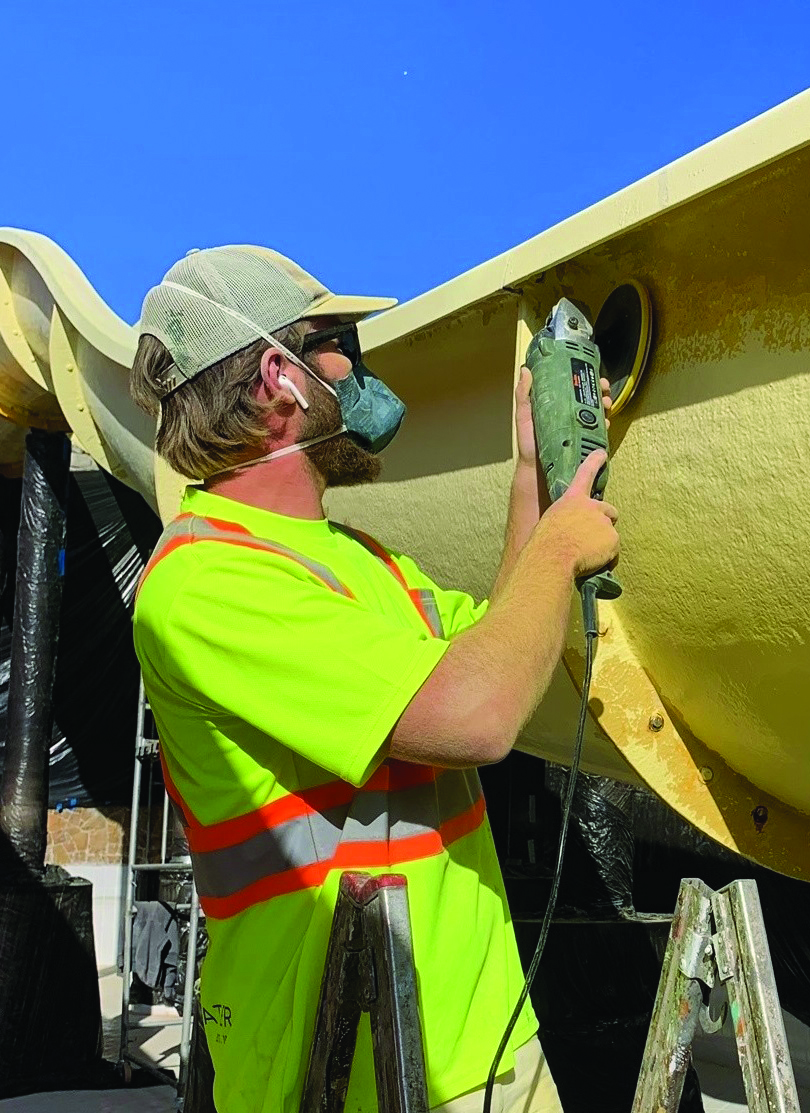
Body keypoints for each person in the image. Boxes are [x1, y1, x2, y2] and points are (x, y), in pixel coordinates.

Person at [128, 244, 619, 1113]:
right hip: (344, 1066)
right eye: (339, 343)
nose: (357, 369)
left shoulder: (361, 561)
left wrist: (532, 478)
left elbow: (494, 652)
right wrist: (562, 548)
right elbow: (476, 717)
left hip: (483, 1037)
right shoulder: (203, 586)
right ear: (278, 377)